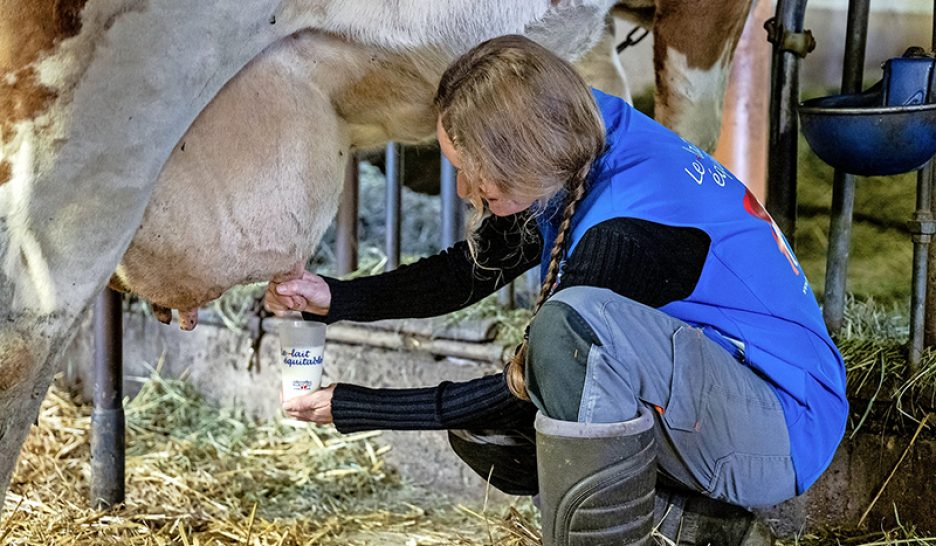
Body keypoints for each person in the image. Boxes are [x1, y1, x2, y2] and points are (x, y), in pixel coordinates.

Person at [265, 35, 847, 546]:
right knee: (492, 435)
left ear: (519, 151)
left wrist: (358, 407)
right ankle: (712, 534)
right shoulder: (575, 133)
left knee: (567, 335)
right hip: (718, 392)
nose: (464, 188)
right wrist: (336, 299)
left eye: (472, 169)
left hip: (777, 428)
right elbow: (472, 269)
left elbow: (544, 372)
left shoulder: (628, 228)